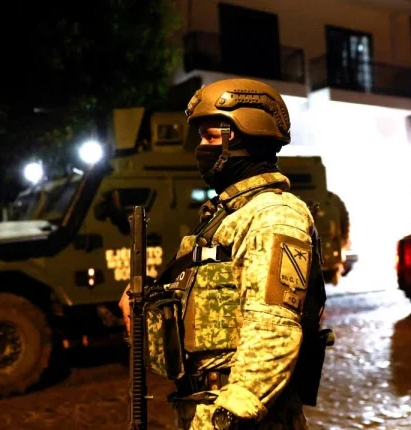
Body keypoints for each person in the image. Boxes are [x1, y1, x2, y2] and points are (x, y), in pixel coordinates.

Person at [119, 78, 328, 429]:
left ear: (242, 137)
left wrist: (229, 415)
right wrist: (147, 298)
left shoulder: (272, 215)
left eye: (210, 137)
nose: (200, 148)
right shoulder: (226, 216)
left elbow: (273, 330)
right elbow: (216, 296)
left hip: (241, 419)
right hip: (205, 406)